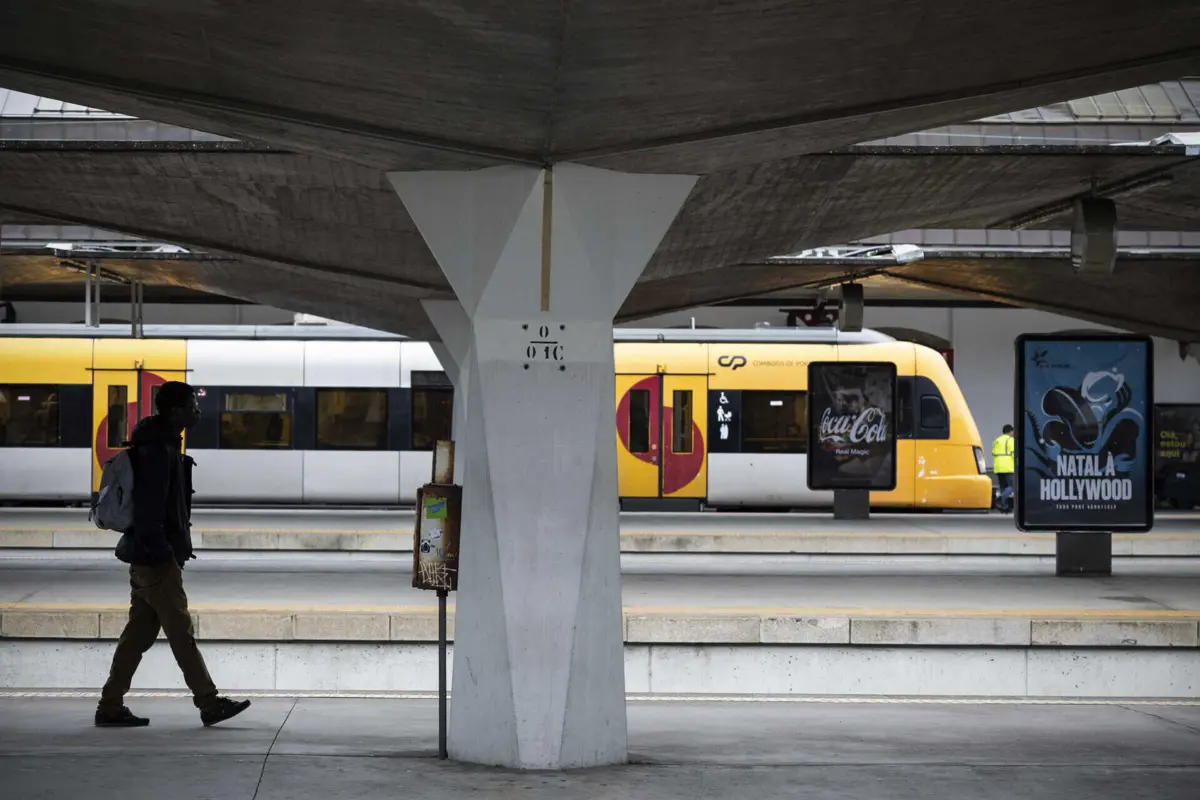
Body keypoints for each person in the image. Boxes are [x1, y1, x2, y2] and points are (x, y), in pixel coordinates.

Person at [95, 381, 250, 728]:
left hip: (147, 558)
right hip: (155, 561)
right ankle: (209, 704)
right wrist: (165, 554)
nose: (198, 410)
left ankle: (110, 705)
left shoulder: (157, 444)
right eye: (193, 405)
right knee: (181, 633)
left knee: (137, 635)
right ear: (176, 410)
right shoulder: (158, 451)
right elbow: (151, 511)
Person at [992, 424, 1016, 513]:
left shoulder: (997, 440)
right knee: (1012, 486)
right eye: (1013, 431)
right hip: (1008, 467)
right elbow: (1014, 454)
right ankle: (1000, 500)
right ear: (1010, 432)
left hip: (998, 467)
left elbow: (994, 453)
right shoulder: (1010, 440)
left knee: (1003, 487)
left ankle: (1004, 507)